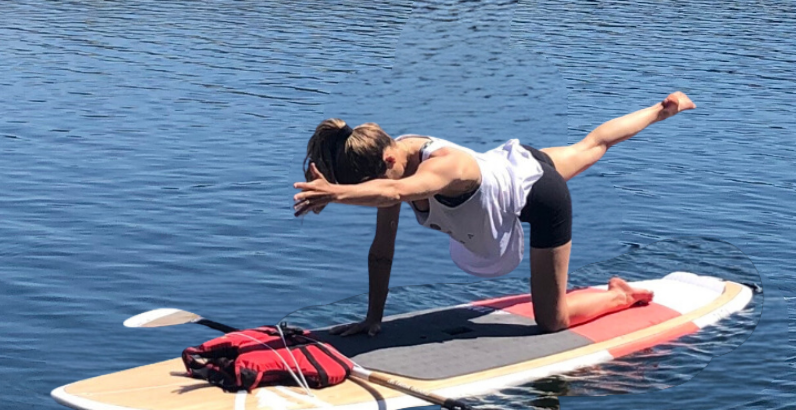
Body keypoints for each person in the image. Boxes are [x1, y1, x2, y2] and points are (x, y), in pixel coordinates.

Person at [293, 93, 696, 335]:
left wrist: (337, 195)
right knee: (590, 146)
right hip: (512, 166)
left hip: (541, 197)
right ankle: (661, 109)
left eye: (370, 187)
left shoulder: (442, 166)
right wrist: (373, 319)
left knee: (551, 321)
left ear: (388, 159)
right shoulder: (389, 163)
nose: (374, 199)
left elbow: (395, 191)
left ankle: (619, 294)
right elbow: (382, 250)